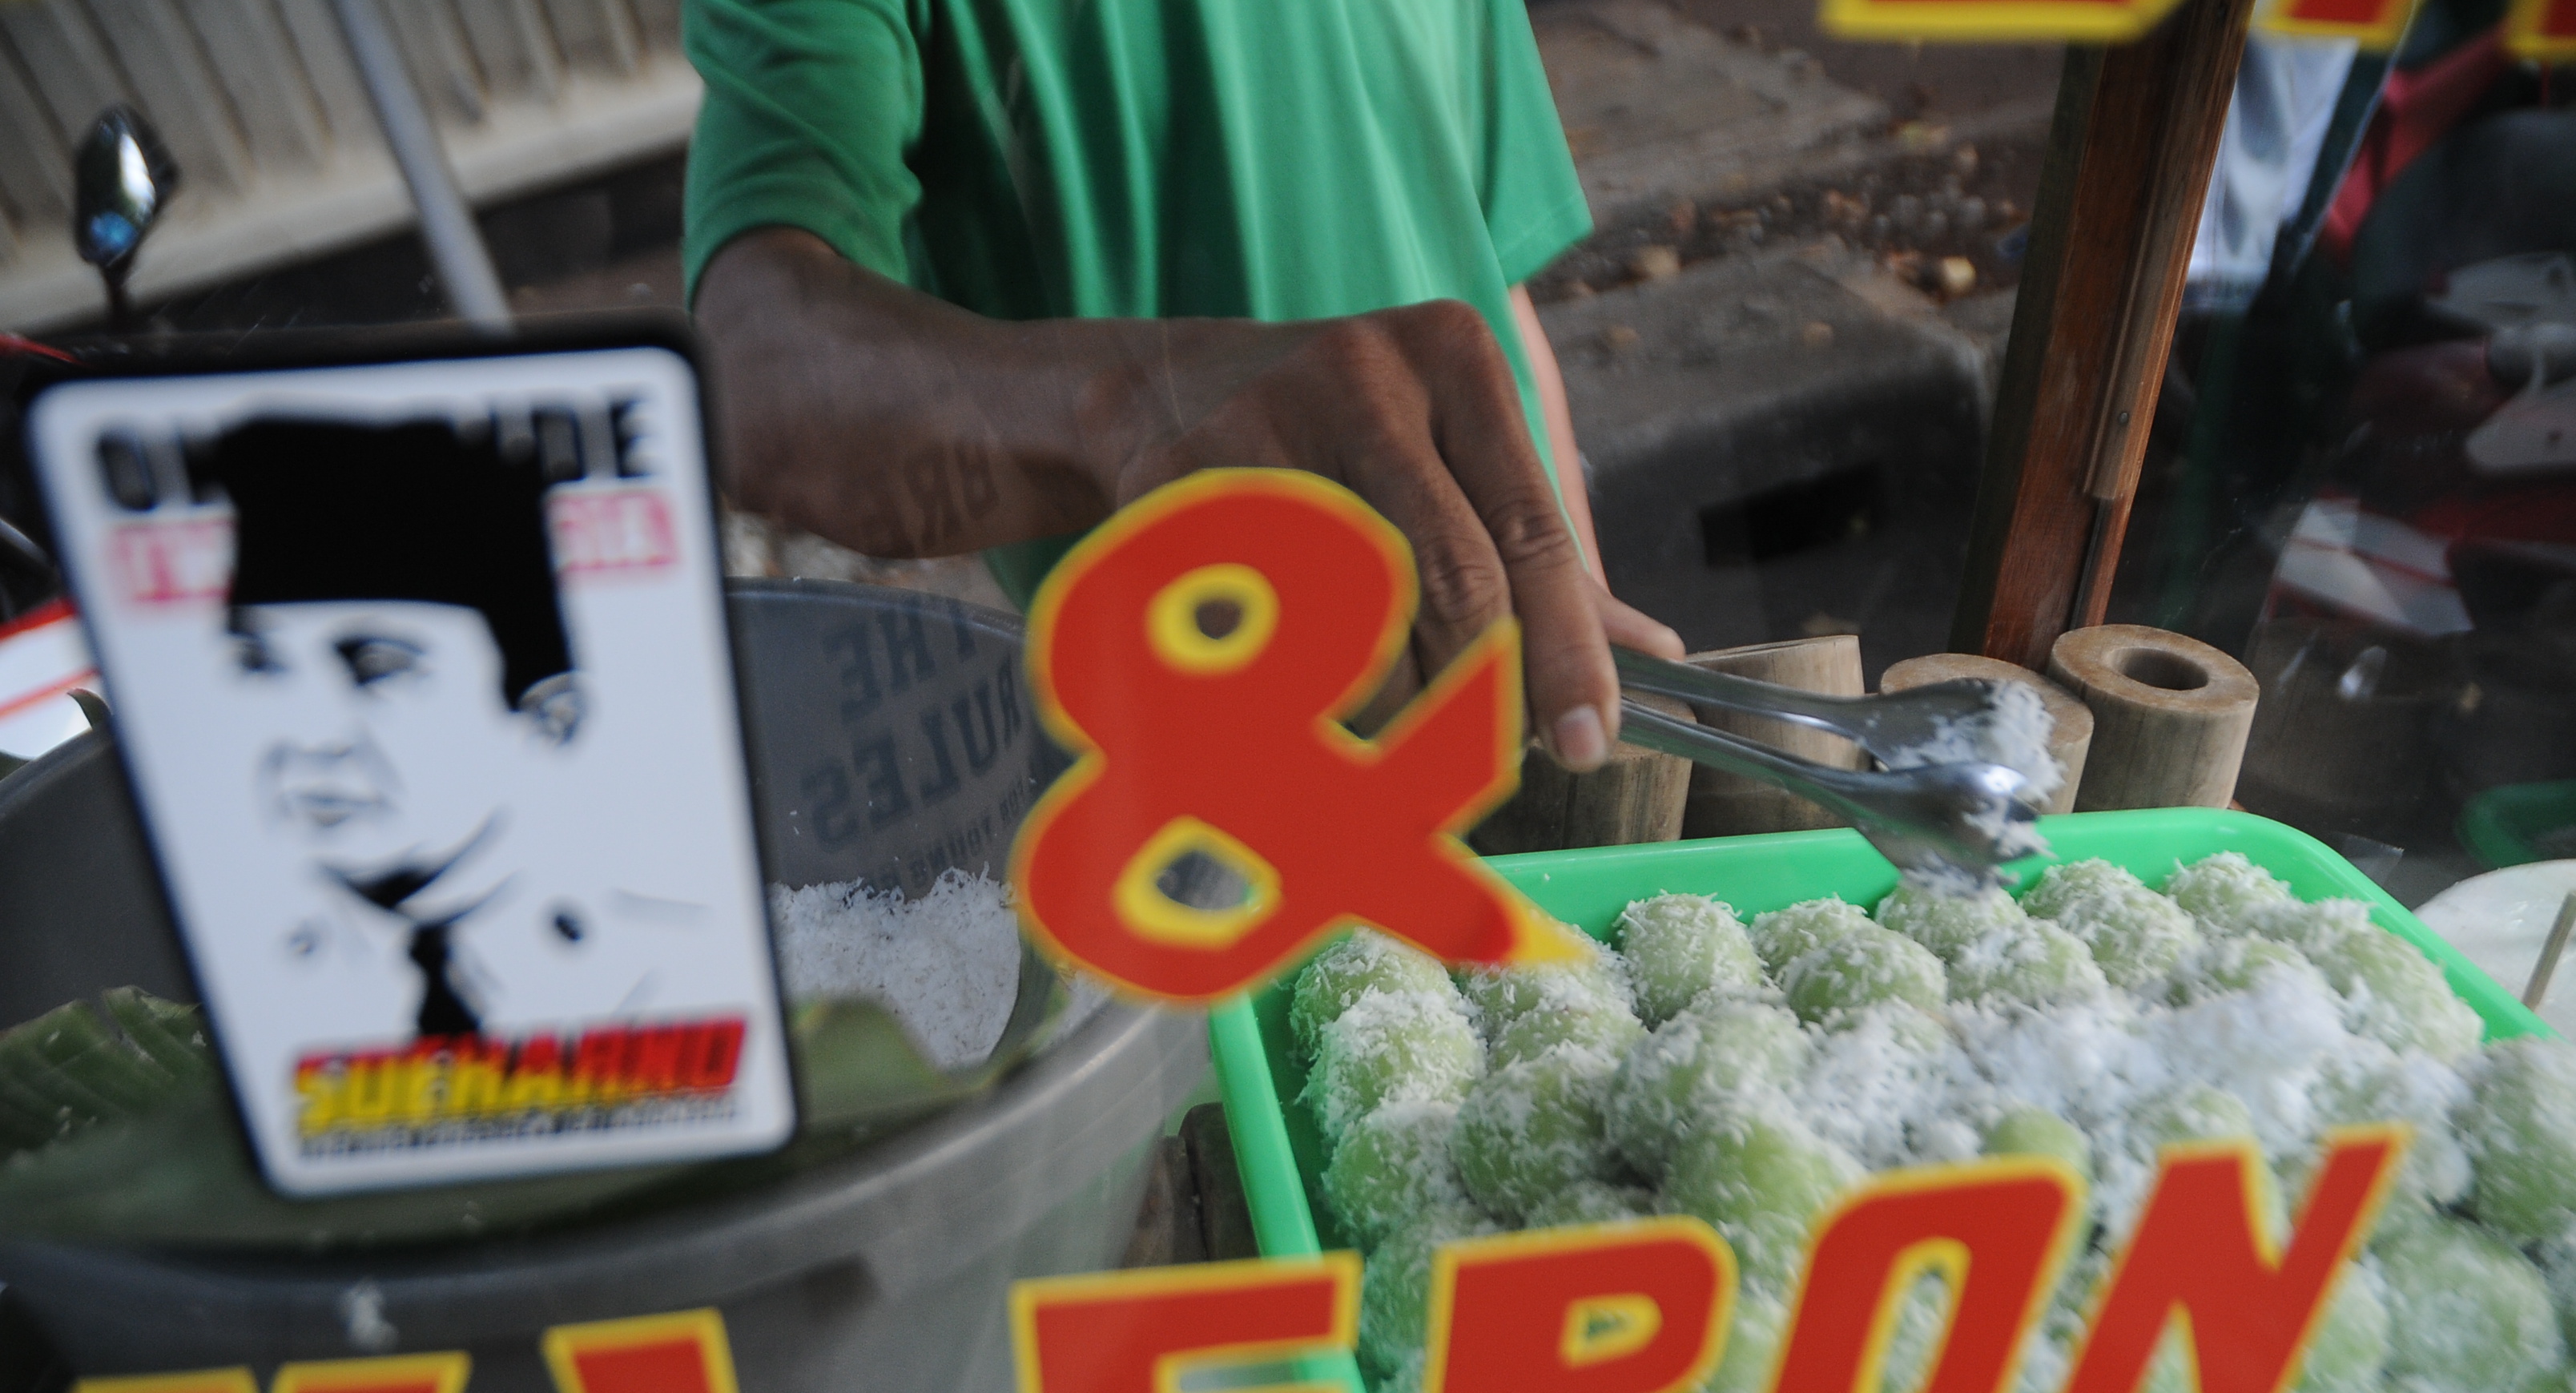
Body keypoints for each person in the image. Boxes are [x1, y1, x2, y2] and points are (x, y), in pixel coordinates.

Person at [681, 0, 1685, 775]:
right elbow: (758, 369)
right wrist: (1128, 407)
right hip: (1201, 800)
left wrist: (1577, 629)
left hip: (1501, 710)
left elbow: (1490, 285)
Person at [211, 416, 709, 1042]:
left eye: (376, 670)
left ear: (550, 718)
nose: (306, 734)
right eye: (265, 665)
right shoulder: (243, 1004)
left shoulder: (675, 976)